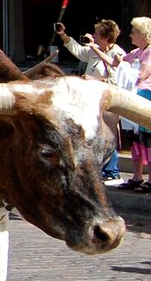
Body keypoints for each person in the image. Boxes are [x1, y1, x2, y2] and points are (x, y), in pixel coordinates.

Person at [56, 18, 126, 181]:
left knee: (109, 135)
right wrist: (64, 36)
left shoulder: (118, 53)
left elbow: (117, 81)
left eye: (96, 33)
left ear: (105, 36)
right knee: (93, 136)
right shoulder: (94, 51)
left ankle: (112, 172)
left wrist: (94, 80)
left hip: (109, 103)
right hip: (91, 101)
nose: (93, 35)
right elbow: (79, 51)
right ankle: (98, 170)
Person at [116, 17, 151, 191]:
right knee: (135, 139)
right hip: (135, 95)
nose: (130, 35)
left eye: (134, 32)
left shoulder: (150, 52)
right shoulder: (137, 52)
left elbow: (141, 75)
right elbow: (119, 62)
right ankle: (137, 177)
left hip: (146, 96)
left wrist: (124, 67)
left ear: (144, 34)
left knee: (148, 139)